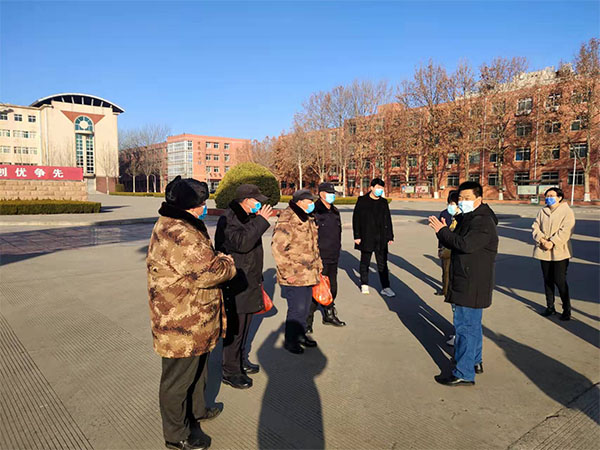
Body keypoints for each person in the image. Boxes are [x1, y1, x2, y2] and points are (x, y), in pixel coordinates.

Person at [147, 176, 237, 450]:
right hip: (181, 322)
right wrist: (227, 261)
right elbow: (210, 272)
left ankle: (197, 410)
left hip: (195, 317)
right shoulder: (181, 233)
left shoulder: (178, 223)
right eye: (202, 202)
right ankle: (176, 435)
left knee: (198, 370)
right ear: (190, 205)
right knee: (178, 379)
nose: (204, 207)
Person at [428, 181, 498, 386]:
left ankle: (463, 372)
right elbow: (456, 241)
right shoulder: (470, 217)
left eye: (467, 198)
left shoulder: (482, 222)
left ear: (479, 199)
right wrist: (448, 227)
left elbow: (465, 245)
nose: (462, 201)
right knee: (472, 326)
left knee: (465, 327)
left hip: (470, 281)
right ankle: (474, 361)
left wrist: (443, 231)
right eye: (461, 198)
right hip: (469, 278)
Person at [215, 184, 275, 389]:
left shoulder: (248, 216)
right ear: (246, 200)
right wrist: (262, 221)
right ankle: (230, 370)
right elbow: (242, 243)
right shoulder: (229, 218)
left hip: (250, 280)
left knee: (246, 325)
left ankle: (240, 361)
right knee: (235, 329)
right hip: (236, 282)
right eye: (256, 200)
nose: (260, 204)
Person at [272, 189, 323, 354]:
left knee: (305, 308)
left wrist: (319, 266)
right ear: (300, 202)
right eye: (309, 201)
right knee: (297, 309)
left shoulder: (307, 217)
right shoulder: (288, 218)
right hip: (295, 274)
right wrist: (288, 273)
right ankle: (291, 340)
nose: (312, 204)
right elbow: (278, 248)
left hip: (309, 273)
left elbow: (313, 245)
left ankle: (301, 335)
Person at [306, 182, 346, 333]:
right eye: (329, 193)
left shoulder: (335, 211)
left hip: (333, 255)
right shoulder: (314, 211)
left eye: (333, 193)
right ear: (321, 193)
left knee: (332, 288)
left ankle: (329, 314)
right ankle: (307, 322)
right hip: (319, 257)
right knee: (316, 290)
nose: (332, 195)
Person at [532, 187, 576, 321]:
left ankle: (566, 309)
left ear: (559, 197)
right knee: (547, 280)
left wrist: (553, 242)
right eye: (547, 196)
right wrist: (542, 240)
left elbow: (567, 230)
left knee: (559, 280)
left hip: (560, 252)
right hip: (543, 250)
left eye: (551, 196)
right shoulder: (542, 211)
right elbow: (535, 227)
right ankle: (550, 307)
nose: (548, 198)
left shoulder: (566, 211)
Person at [352, 178, 395, 296]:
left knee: (383, 264)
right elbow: (356, 219)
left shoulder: (383, 202)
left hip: (381, 238)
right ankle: (364, 284)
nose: (379, 190)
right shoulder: (362, 201)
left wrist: (390, 236)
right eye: (377, 187)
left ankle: (386, 287)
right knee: (365, 262)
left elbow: (388, 219)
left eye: (381, 188)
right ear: (371, 188)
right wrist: (357, 236)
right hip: (366, 236)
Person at [436, 190, 460, 297]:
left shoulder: (463, 215)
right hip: (446, 247)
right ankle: (445, 290)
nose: (451, 205)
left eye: (453, 203)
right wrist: (440, 248)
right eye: (449, 203)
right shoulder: (444, 214)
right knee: (445, 271)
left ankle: (455, 291)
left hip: (458, 247)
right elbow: (439, 233)